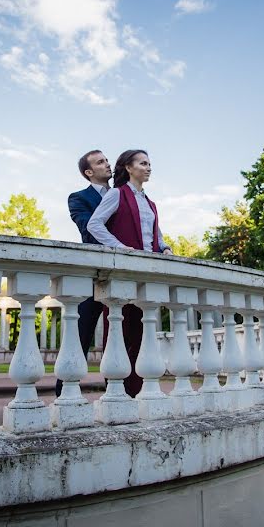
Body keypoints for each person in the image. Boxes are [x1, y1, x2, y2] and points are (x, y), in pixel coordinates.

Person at [87, 149, 172, 397]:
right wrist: (119, 247)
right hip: (122, 273)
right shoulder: (116, 194)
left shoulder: (150, 202)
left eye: (149, 163)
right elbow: (94, 224)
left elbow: (155, 233)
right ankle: (116, 392)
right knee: (118, 333)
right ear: (128, 167)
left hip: (146, 273)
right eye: (143, 163)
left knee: (140, 333)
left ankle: (136, 393)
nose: (148, 168)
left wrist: (164, 247)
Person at [55, 149, 113, 397]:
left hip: (126, 275)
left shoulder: (126, 194)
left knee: (123, 335)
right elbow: (88, 232)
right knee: (79, 336)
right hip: (92, 276)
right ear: (89, 172)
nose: (108, 164)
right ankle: (64, 394)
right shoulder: (78, 198)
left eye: (107, 160)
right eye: (101, 162)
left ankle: (118, 394)